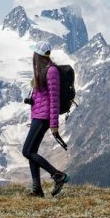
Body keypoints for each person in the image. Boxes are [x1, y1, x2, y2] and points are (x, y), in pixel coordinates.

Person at [22, 41, 70, 197]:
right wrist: (33, 117)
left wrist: (54, 123)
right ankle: (37, 190)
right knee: (32, 152)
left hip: (44, 118)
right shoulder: (42, 71)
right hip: (38, 116)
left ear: (38, 55)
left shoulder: (51, 72)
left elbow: (54, 99)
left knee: (27, 151)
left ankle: (58, 175)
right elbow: (38, 99)